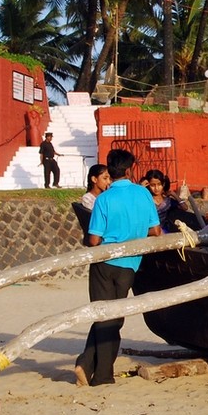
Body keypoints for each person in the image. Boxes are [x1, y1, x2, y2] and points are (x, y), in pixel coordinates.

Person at [74, 148, 161, 387]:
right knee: (114, 318)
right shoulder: (143, 195)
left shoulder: (104, 199)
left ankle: (92, 368)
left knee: (103, 315)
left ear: (110, 173)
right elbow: (155, 231)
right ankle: (95, 369)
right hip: (130, 264)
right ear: (130, 170)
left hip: (104, 262)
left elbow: (93, 240)